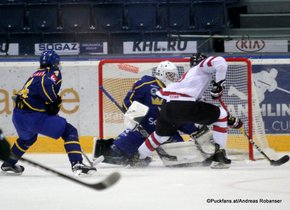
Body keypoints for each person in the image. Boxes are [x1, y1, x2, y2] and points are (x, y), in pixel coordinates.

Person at [137, 53, 243, 168]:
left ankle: (139, 157)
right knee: (221, 114)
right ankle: (219, 157)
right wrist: (220, 84)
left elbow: (200, 107)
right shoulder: (201, 67)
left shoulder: (190, 77)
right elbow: (220, 61)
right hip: (183, 105)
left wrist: (230, 119)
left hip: (167, 106)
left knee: (160, 135)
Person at [1, 50, 96, 176]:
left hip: (18, 115)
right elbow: (46, 84)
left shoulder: (35, 74)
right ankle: (77, 164)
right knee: (69, 131)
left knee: (27, 139)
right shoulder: (53, 72)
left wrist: (49, 105)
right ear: (54, 62)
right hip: (33, 116)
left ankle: (9, 163)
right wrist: (54, 101)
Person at [93, 61, 201, 166]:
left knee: (180, 159)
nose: (172, 78)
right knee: (115, 154)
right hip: (141, 129)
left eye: (174, 76)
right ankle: (104, 147)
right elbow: (128, 102)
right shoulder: (146, 84)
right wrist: (133, 118)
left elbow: (179, 117)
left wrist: (194, 131)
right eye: (170, 75)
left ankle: (144, 155)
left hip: (165, 131)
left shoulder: (176, 92)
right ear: (161, 73)